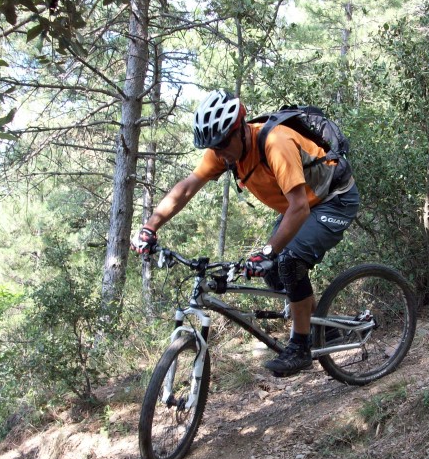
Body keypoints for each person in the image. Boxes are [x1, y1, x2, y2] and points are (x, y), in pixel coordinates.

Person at [131, 90, 359, 376]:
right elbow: (187, 187)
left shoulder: (276, 144)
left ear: (240, 129)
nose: (219, 152)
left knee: (287, 261)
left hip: (334, 200)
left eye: (223, 142)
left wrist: (268, 251)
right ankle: (323, 328)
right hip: (302, 204)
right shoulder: (224, 154)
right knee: (273, 271)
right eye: (213, 146)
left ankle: (300, 347)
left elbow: (299, 208)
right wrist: (149, 227)